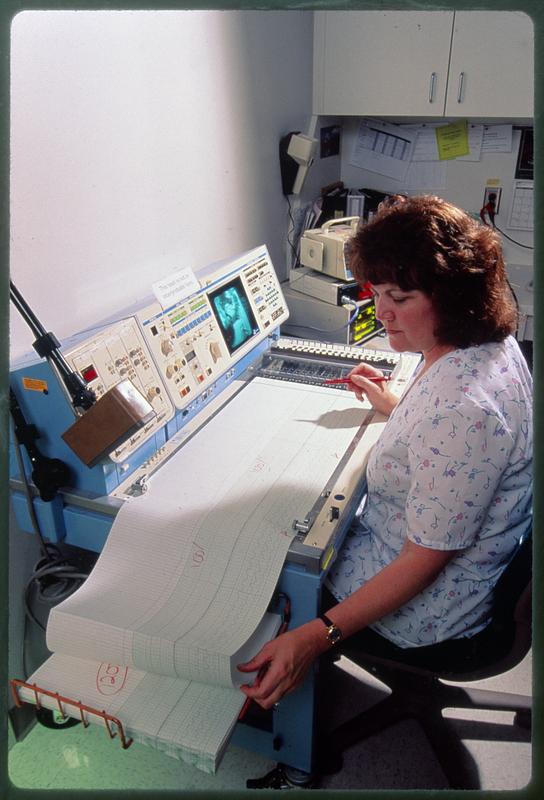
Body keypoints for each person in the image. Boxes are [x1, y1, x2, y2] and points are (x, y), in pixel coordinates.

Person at [238, 194, 532, 710]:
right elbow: (452, 445)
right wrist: (397, 405)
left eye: (400, 297)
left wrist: (314, 637)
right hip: (461, 568)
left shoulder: (461, 411)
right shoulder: (487, 343)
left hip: (433, 612)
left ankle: (269, 710)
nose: (381, 311)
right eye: (378, 293)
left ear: (454, 296)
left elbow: (422, 563)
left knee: (263, 553)